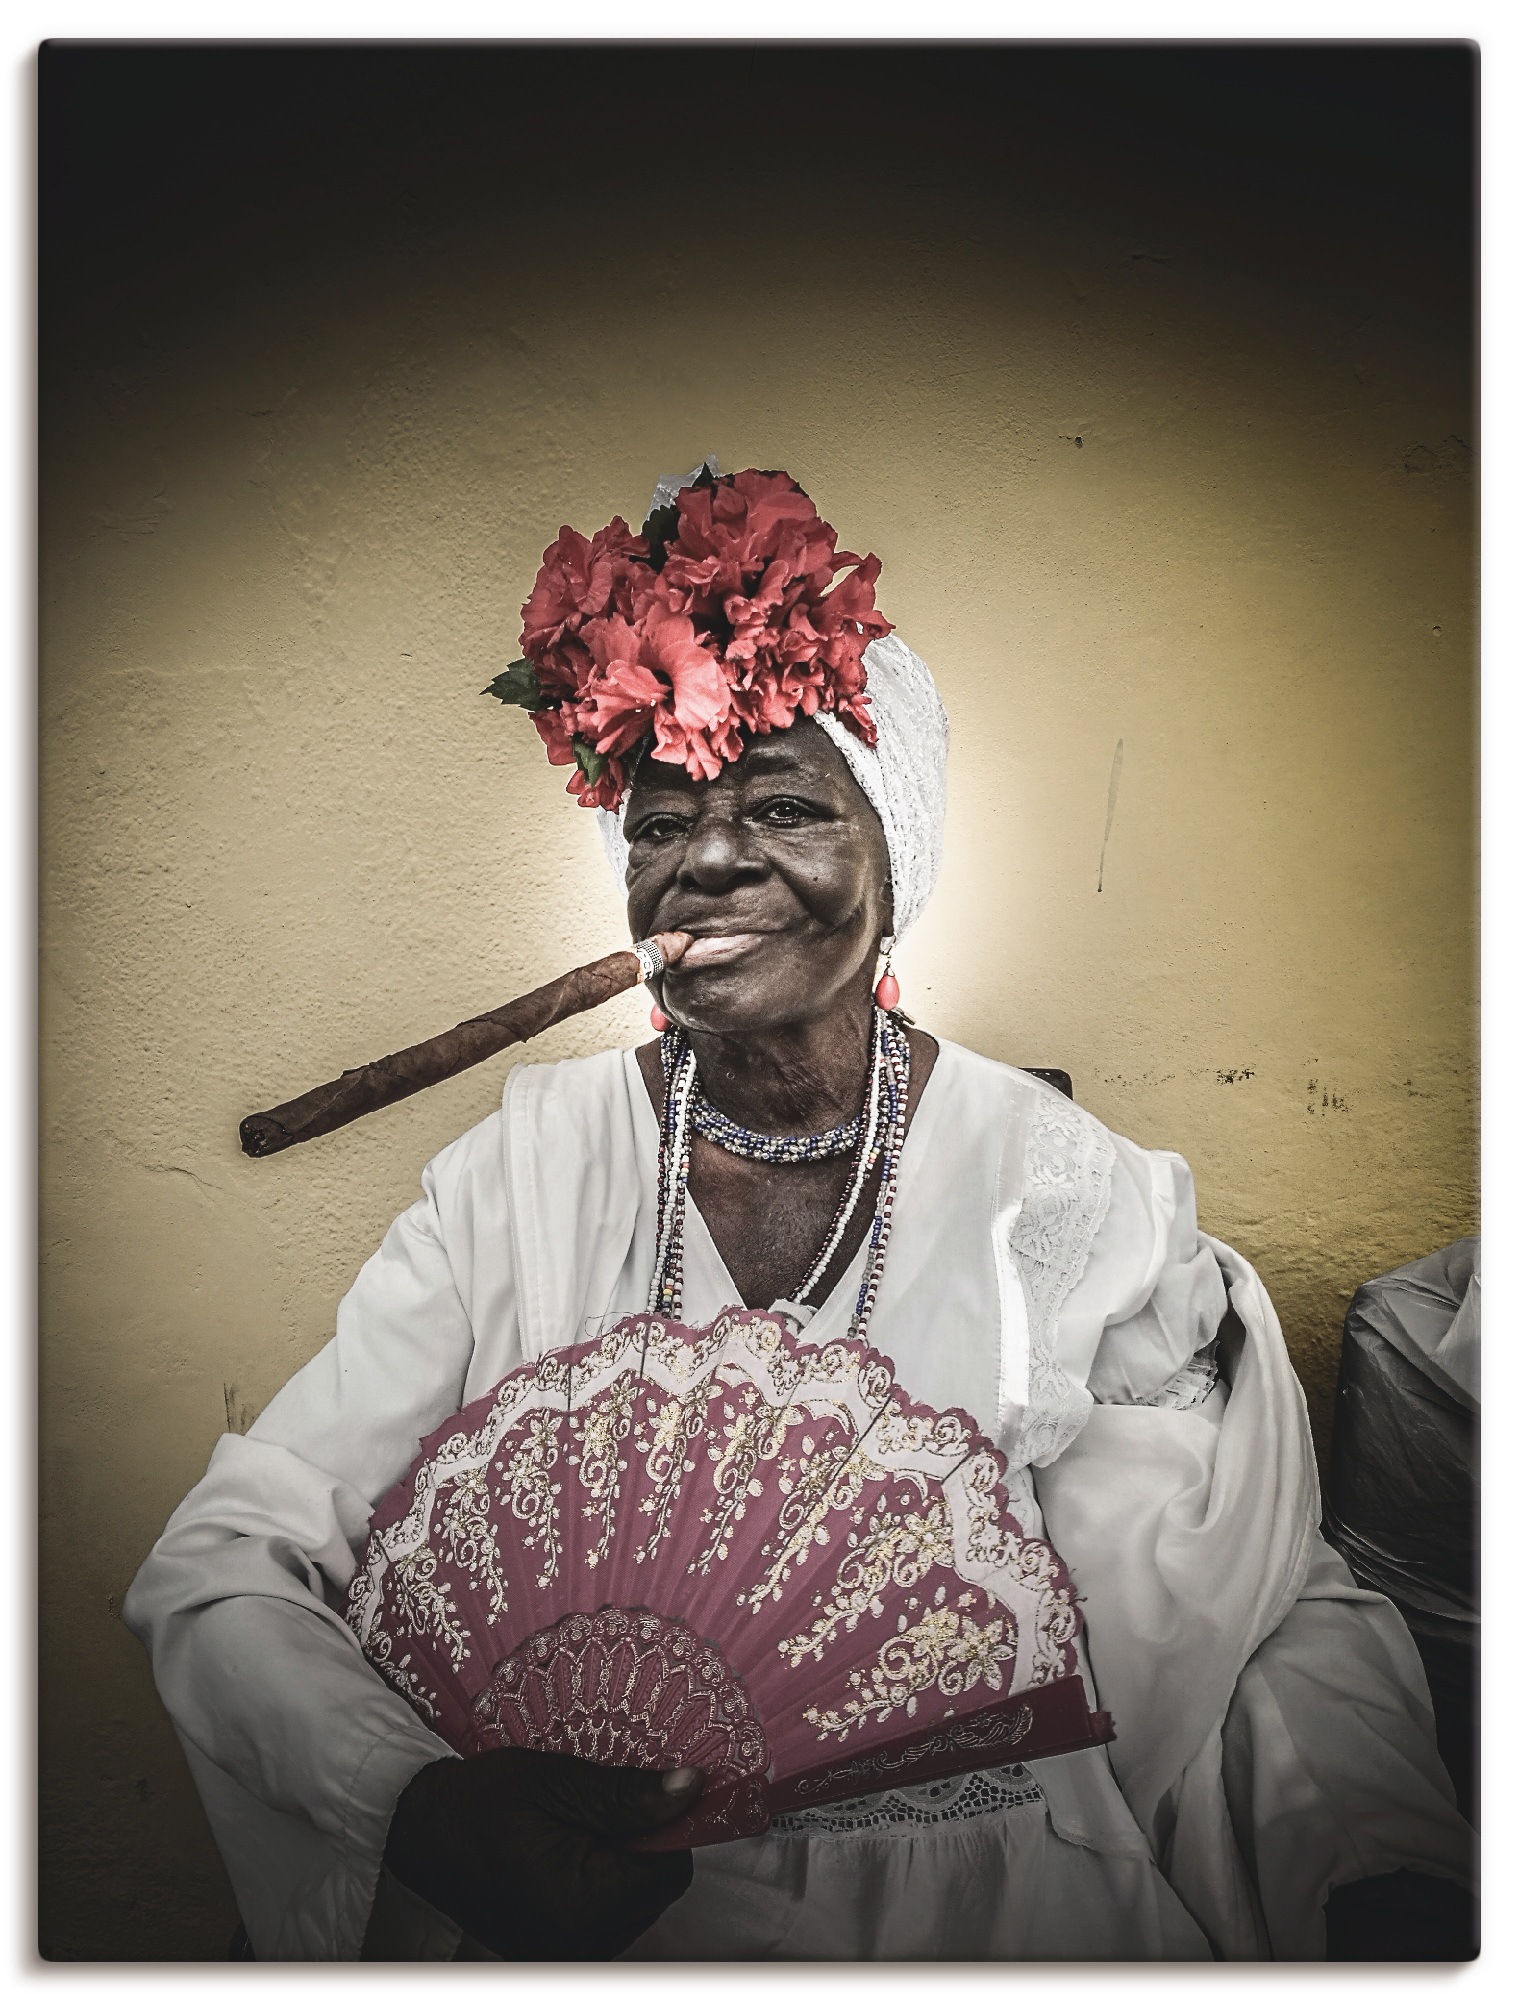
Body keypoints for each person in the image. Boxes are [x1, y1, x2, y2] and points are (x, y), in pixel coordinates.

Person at [125, 466, 1475, 1962]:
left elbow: (1236, 1630)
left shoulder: (1073, 1195)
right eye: (660, 823)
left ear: (897, 862)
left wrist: (1386, 1881)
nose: (707, 858)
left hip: (1013, 1921)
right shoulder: (516, 1183)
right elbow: (227, 1561)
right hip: (613, 1922)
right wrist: (420, 1809)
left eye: (783, 806)